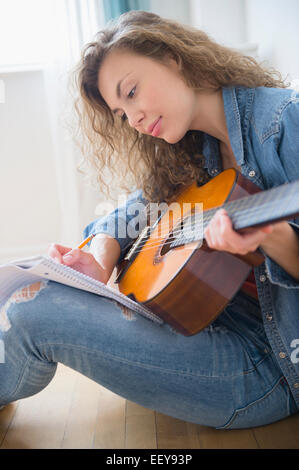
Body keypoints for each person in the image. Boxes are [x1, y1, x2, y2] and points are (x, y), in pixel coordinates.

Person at [0, 10, 299, 430]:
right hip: (204, 321)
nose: (135, 119)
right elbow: (136, 209)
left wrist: (274, 237)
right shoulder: (192, 148)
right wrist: (102, 254)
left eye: (132, 91)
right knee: (36, 287)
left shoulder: (284, 122)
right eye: (122, 113)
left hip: (271, 363)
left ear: (173, 57)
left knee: (27, 311)